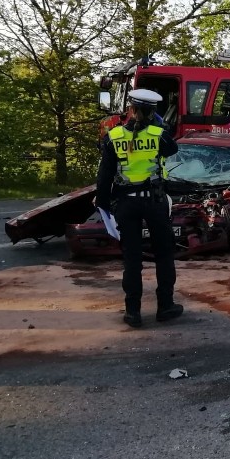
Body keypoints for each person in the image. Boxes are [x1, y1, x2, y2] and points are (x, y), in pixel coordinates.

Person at [95, 88, 182, 328]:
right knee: (164, 255)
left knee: (132, 258)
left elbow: (105, 176)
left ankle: (132, 311)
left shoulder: (113, 137)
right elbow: (172, 149)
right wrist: (157, 124)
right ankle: (165, 306)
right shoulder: (160, 134)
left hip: (126, 203)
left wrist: (103, 204)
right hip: (154, 202)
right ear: (154, 112)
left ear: (130, 110)